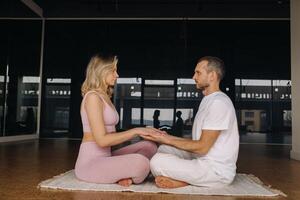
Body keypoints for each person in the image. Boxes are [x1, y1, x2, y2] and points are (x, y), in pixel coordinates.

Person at [141, 56, 239, 188]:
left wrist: (165, 138)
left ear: (212, 76)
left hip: (216, 170)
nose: (194, 77)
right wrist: (163, 137)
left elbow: (202, 146)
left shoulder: (218, 103)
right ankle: (188, 179)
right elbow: (198, 145)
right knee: (164, 149)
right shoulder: (208, 100)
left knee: (157, 162)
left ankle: (185, 181)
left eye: (198, 73)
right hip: (200, 158)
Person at [74, 54, 161, 187]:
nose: (117, 75)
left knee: (149, 146)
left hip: (106, 156)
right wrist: (136, 131)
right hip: (90, 163)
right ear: (101, 71)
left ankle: (119, 173)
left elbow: (112, 135)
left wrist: (145, 131)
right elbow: (102, 140)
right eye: (113, 70)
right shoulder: (92, 97)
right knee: (141, 164)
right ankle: (122, 173)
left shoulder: (104, 96)